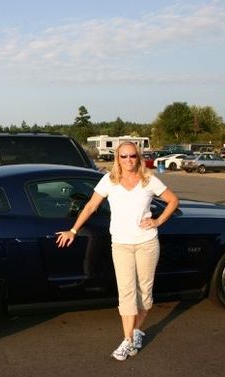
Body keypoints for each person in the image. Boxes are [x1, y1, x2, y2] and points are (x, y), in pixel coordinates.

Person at [56, 141, 179, 361]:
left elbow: (172, 200)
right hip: (121, 245)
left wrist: (158, 220)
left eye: (132, 156)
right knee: (127, 294)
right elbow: (91, 206)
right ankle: (128, 340)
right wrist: (73, 230)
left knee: (145, 294)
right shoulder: (109, 181)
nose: (129, 160)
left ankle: (136, 332)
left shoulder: (148, 179)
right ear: (117, 159)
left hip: (147, 244)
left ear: (138, 157)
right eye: (124, 156)